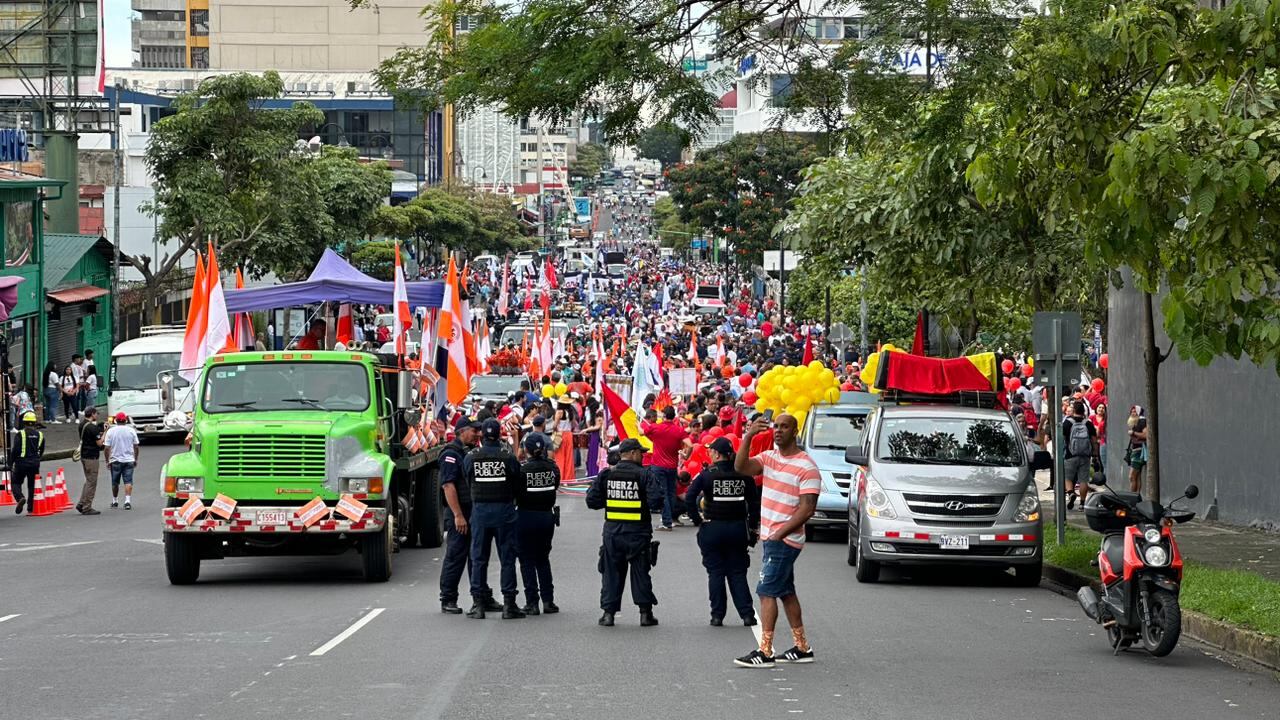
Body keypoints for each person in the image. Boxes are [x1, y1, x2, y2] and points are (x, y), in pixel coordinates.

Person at [733, 413, 820, 668]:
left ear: (795, 431)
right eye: (776, 427)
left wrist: (780, 533)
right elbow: (741, 468)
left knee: (766, 590)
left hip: (785, 539)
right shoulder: (770, 457)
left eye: (784, 427)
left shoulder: (807, 467)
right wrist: (749, 436)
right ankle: (802, 647)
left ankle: (766, 651)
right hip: (772, 537)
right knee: (785, 591)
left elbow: (807, 509)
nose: (778, 431)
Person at [585, 438, 662, 627]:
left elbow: (592, 502)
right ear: (633, 453)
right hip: (638, 533)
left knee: (611, 573)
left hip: (613, 533)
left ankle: (608, 614)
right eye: (641, 453)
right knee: (641, 573)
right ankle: (645, 614)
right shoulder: (645, 475)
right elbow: (656, 502)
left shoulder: (606, 475)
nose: (643, 456)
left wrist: (610, 498)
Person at [686, 437, 760, 627]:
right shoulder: (744, 475)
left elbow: (690, 496)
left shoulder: (706, 474)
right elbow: (754, 504)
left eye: (711, 451)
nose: (709, 453)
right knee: (737, 572)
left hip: (713, 528)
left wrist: (697, 520)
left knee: (716, 573)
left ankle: (717, 616)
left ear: (717, 454)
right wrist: (752, 528)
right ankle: (747, 615)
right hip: (737, 529)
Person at [463, 418, 526, 619]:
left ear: (481, 434)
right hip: (505, 512)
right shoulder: (508, 457)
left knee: (479, 559)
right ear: (500, 434)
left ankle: (478, 604)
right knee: (507, 558)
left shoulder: (471, 456)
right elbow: (518, 482)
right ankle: (509, 604)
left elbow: (467, 479)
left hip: (480, 512)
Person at [438, 421, 487, 614]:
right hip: (460, 512)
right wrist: (458, 515)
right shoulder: (451, 454)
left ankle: (482, 596)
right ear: (462, 431)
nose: (478, 434)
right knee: (456, 555)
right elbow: (448, 486)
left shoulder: (468, 450)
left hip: (472, 511)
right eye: (474, 431)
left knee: (477, 556)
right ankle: (448, 598)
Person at [516, 432, 561, 615]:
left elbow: (515, 492)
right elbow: (555, 486)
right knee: (543, 559)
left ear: (526, 450)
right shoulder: (553, 469)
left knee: (526, 560)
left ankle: (532, 602)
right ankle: (548, 602)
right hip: (546, 517)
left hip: (525, 516)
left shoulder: (522, 470)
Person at [645, 406, 692, 531]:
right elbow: (690, 444)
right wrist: (686, 455)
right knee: (671, 493)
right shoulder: (679, 430)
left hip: (658, 466)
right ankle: (669, 518)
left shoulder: (656, 427)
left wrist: (637, 424)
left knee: (664, 493)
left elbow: (642, 432)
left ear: (664, 415)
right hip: (672, 466)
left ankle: (666, 522)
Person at [1062, 400, 1099, 509]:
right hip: (1085, 456)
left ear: (1073, 410)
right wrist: (1095, 454)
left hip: (1070, 454)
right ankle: (1082, 504)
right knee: (1083, 480)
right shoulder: (1088, 423)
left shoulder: (1067, 423)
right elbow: (1094, 440)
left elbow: (1063, 439)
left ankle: (1070, 493)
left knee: (1068, 477)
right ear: (1083, 411)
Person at [103, 412, 141, 509]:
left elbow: (107, 448)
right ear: (125, 420)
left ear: (116, 420)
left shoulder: (111, 431)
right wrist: (135, 458)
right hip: (129, 460)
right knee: (128, 481)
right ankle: (127, 501)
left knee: (115, 482)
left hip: (115, 460)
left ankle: (115, 500)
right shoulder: (131, 431)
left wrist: (107, 461)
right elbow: (136, 446)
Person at [8, 411, 44, 514]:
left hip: (22, 463)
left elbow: (15, 450)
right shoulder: (40, 435)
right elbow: (41, 450)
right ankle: (30, 508)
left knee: (16, 482)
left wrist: (10, 463)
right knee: (32, 485)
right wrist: (37, 459)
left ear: (24, 422)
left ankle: (20, 498)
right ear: (34, 422)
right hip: (34, 463)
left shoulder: (21, 434)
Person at [76, 406, 105, 515]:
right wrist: (105, 432)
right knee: (92, 482)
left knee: (88, 481)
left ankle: (81, 503)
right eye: (96, 413)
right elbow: (100, 443)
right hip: (92, 457)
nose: (97, 415)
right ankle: (87, 507)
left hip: (84, 455)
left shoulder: (82, 424)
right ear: (92, 414)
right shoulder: (93, 428)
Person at [1126, 405, 1148, 494]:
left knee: (1131, 476)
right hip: (1135, 451)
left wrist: (1133, 433)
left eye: (1134, 412)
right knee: (1137, 476)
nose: (1132, 413)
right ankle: (1137, 498)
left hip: (1139, 451)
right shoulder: (1136, 422)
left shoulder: (1142, 421)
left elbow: (1146, 435)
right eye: (1131, 411)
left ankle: (1132, 498)